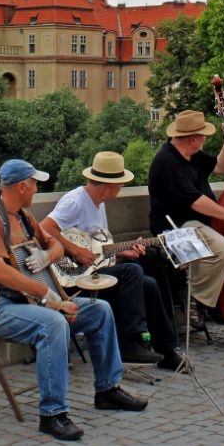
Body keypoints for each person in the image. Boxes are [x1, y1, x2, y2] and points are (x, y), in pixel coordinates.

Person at [0, 159, 147, 441]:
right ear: (22, 186)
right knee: (54, 325)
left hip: (30, 303)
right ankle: (53, 414)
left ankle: (108, 390)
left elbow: (55, 243)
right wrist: (48, 296)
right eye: (35, 183)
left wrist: (46, 256)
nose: (38, 188)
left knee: (100, 310)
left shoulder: (24, 217)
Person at [43, 151, 179, 370]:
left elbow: (97, 250)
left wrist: (122, 252)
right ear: (107, 185)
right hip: (73, 280)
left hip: (91, 274)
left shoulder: (100, 203)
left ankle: (167, 350)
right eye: (120, 183)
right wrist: (75, 250)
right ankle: (128, 340)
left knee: (149, 284)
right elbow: (45, 228)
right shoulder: (75, 201)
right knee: (132, 271)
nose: (121, 187)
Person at [148, 110, 224, 325]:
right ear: (193, 139)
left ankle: (219, 303)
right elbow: (196, 201)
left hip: (197, 223)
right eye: (203, 135)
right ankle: (194, 297)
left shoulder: (193, 155)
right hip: (173, 228)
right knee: (223, 249)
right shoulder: (167, 161)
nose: (205, 138)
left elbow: (221, 167)